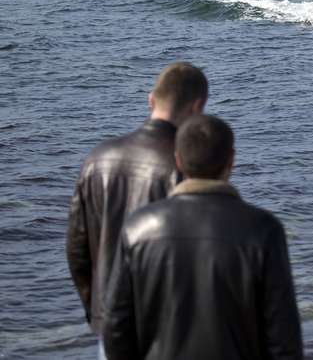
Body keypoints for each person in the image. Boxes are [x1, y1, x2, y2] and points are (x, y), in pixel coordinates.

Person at [102, 114, 303, 360]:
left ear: (178, 160)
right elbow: (283, 336)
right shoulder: (263, 229)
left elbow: (116, 326)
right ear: (232, 160)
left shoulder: (138, 228)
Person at [66, 62, 208, 356]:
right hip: (169, 326)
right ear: (198, 107)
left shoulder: (96, 159)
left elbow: (76, 249)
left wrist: (98, 310)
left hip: (109, 324)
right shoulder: (185, 168)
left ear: (151, 99)